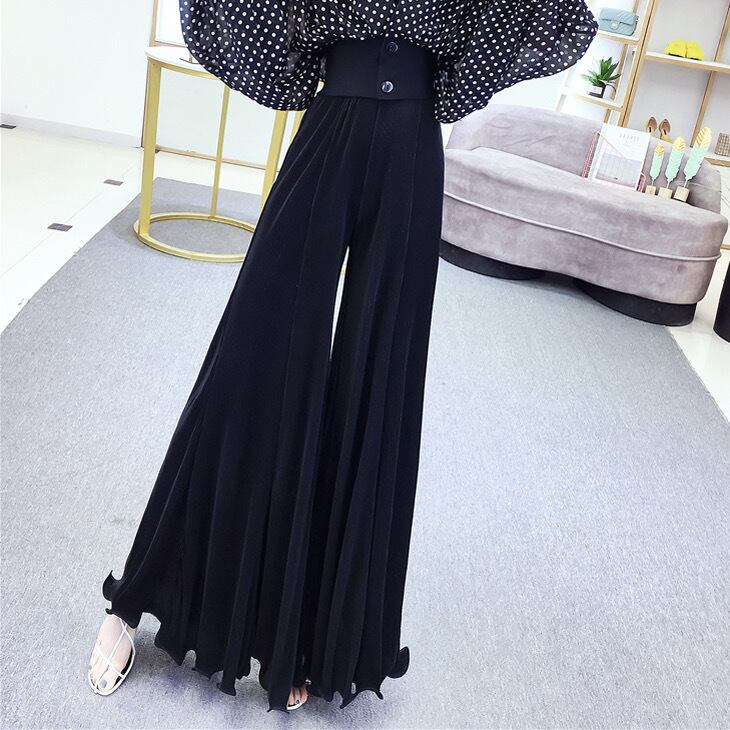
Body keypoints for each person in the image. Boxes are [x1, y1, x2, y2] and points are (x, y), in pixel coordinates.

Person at [88, 0, 598, 714]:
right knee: (250, 356)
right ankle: (139, 596)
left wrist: (454, 85)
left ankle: (314, 640)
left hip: (414, 147)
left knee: (376, 384)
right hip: (331, 124)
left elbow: (549, 18)